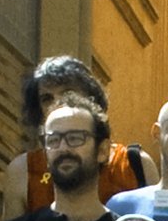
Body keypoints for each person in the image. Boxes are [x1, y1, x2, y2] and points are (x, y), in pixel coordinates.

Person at [11, 55, 150, 212]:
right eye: (46, 98)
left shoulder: (134, 164)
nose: (57, 104)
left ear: (91, 99)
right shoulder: (24, 170)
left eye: (67, 94)